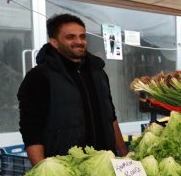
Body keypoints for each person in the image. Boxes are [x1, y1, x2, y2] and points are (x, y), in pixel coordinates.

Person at [17, 14, 128, 165]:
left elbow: (111, 117)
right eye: (70, 37)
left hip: (104, 163)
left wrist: (123, 155)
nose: (79, 42)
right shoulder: (39, 76)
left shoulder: (98, 72)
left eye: (82, 36)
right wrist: (42, 171)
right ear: (54, 42)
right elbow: (31, 130)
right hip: (67, 168)